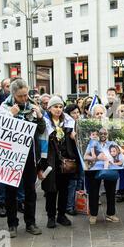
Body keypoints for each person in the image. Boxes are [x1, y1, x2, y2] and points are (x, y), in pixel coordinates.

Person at [0, 78, 46, 238]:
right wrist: (10, 115)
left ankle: (30, 223)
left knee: (30, 191)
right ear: (13, 95)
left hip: (30, 156)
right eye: (20, 96)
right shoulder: (4, 108)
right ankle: (12, 224)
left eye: (26, 95)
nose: (24, 99)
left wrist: (39, 117)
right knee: (11, 191)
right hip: (12, 157)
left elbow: (41, 131)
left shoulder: (33, 107)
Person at [38, 97, 79, 228]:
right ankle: (51, 216)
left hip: (65, 160)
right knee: (51, 190)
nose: (58, 109)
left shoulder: (68, 122)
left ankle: (61, 215)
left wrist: (73, 137)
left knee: (64, 189)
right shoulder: (44, 122)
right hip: (50, 160)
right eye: (55, 107)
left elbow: (75, 141)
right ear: (49, 108)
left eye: (60, 107)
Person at [87, 104, 120, 225]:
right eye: (97, 113)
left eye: (102, 113)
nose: (100, 116)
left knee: (111, 189)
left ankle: (111, 214)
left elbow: (117, 142)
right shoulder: (88, 128)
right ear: (92, 115)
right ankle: (93, 214)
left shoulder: (111, 127)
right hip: (94, 164)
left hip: (109, 163)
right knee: (93, 189)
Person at [64, 104, 84, 216]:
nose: (76, 115)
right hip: (72, 158)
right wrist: (71, 136)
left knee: (80, 181)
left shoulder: (81, 124)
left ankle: (78, 205)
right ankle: (69, 206)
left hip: (80, 157)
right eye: (73, 113)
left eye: (77, 112)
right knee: (72, 182)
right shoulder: (67, 126)